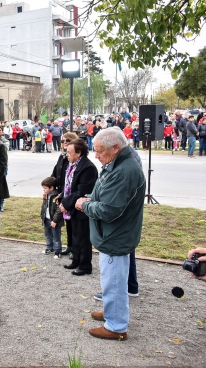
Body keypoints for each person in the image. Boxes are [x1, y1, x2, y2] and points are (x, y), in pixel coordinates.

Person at [76, 127, 145, 340]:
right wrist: (92, 200)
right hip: (112, 234)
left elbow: (109, 210)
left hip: (115, 235)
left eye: (100, 151)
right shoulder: (118, 160)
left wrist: (84, 205)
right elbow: (105, 195)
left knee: (114, 281)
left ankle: (116, 326)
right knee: (111, 280)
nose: (96, 156)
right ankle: (112, 312)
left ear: (115, 148)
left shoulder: (124, 170)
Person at [60, 139, 98, 276]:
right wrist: (63, 199)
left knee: (83, 238)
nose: (67, 155)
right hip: (72, 207)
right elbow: (68, 186)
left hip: (82, 207)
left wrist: (66, 203)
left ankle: (85, 265)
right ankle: (76, 260)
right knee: (75, 236)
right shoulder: (72, 165)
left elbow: (82, 191)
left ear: (79, 153)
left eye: (69, 152)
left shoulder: (87, 167)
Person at [40, 177, 64, 257]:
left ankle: (57, 251)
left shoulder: (56, 197)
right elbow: (44, 206)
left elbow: (59, 210)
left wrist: (55, 221)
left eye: (45, 188)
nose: (44, 190)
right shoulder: (47, 195)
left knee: (56, 236)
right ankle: (49, 247)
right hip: (46, 219)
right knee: (48, 234)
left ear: (51, 188)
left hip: (54, 220)